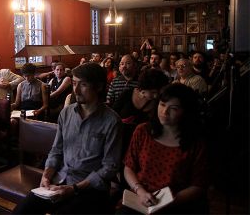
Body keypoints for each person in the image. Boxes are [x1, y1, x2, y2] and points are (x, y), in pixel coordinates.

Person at [13, 63, 123, 214]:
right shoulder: (66, 114)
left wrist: (74, 188)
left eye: (83, 85)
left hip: (89, 188)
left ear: (98, 87)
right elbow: (56, 150)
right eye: (74, 83)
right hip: (60, 178)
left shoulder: (111, 121)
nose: (76, 90)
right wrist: (47, 174)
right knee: (22, 210)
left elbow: (110, 167)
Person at [121, 84, 208, 214]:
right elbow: (129, 167)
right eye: (162, 105)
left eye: (173, 108)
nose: (164, 112)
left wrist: (169, 201)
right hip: (141, 196)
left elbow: (198, 184)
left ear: (186, 111)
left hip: (175, 202)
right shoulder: (143, 131)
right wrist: (140, 190)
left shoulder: (196, 143)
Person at [112, 69, 169, 158]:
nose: (156, 96)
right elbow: (113, 113)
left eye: (158, 92)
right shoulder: (127, 94)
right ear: (143, 88)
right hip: (121, 140)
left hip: (143, 144)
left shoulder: (158, 102)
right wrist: (121, 121)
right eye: (153, 92)